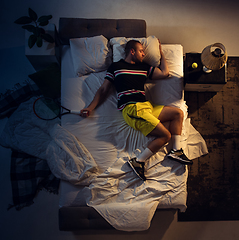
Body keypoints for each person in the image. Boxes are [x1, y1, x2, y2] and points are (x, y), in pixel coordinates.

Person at [80, 39, 193, 181]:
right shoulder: (116, 67)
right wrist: (90, 107)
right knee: (165, 136)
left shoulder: (144, 67)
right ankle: (138, 161)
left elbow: (165, 73)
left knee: (178, 113)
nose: (144, 54)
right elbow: (103, 89)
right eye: (141, 51)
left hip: (147, 107)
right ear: (132, 51)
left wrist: (161, 52)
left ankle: (176, 151)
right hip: (132, 109)